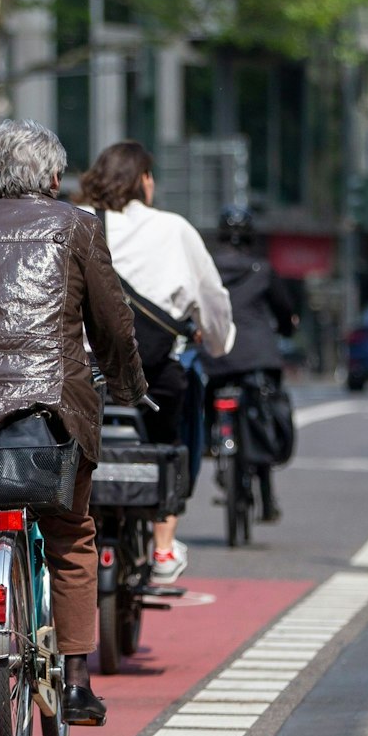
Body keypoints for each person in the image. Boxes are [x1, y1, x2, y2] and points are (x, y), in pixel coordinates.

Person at [0, 119, 148, 727]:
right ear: (52, 176)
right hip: (56, 405)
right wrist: (126, 385)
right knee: (72, 534)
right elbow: (114, 323)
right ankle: (75, 682)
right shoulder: (78, 227)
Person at [77, 141, 233, 584]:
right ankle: (164, 548)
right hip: (151, 375)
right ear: (144, 180)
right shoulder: (175, 229)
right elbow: (212, 299)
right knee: (172, 441)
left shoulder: (77, 223)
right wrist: (218, 342)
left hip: (85, 374)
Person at [207, 204, 300, 523]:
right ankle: (267, 496)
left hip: (214, 357)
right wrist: (287, 328)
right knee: (262, 417)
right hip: (258, 357)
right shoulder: (262, 270)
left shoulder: (206, 268)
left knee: (200, 399)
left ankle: (212, 442)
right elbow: (285, 312)